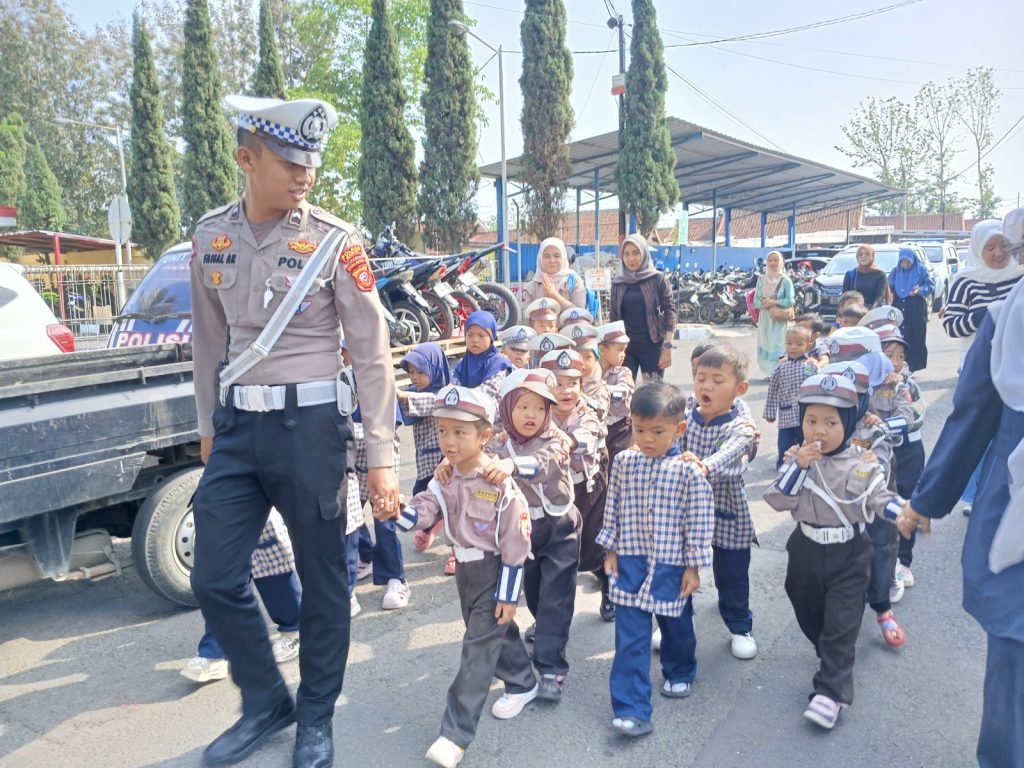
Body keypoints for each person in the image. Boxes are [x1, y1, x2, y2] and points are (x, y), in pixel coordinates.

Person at [189, 95, 399, 768]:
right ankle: (265, 702)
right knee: (214, 577)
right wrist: (207, 429)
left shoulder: (335, 241)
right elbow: (207, 343)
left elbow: (370, 353)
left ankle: (314, 716)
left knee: (323, 581)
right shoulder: (209, 237)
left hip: (310, 427)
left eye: (312, 159)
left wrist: (381, 455)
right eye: (289, 159)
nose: (305, 171)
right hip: (237, 427)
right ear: (247, 159)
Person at [898, 204, 1024, 768]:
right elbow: (972, 415)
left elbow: (971, 417)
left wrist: (925, 501)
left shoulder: (1009, 316)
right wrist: (925, 499)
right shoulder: (1003, 315)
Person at [387, 385, 536, 768]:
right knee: (490, 632)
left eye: (459, 432)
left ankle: (455, 735)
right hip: (464, 572)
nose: (448, 441)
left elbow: (516, 542)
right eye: (442, 431)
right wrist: (394, 511)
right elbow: (424, 510)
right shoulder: (445, 478)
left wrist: (507, 596)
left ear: (484, 436)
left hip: (494, 570)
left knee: (477, 649)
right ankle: (524, 679)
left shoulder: (499, 482)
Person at [764, 374, 904, 730]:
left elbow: (878, 494)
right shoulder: (796, 458)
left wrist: (902, 514)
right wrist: (799, 465)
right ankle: (827, 652)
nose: (819, 431)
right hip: (805, 549)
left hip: (850, 552)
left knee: (841, 622)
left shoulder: (862, 460)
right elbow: (777, 500)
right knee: (808, 609)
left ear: (848, 422)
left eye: (830, 422)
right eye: (811, 421)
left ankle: (831, 692)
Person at [597, 381, 715, 737]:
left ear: (678, 429)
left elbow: (699, 519)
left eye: (657, 431)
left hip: (670, 562)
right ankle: (632, 709)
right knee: (630, 637)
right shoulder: (624, 462)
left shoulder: (688, 472)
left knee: (675, 623)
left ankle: (680, 669)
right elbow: (612, 505)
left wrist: (693, 566)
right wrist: (610, 549)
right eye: (639, 429)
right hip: (630, 558)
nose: (646, 438)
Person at [475, 364, 579, 701]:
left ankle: (551, 668)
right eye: (522, 406)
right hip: (522, 531)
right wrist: (452, 466)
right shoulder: (499, 442)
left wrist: (512, 466)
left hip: (559, 526)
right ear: (507, 408)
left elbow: (545, 463)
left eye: (540, 407)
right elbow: (475, 464)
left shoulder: (558, 439)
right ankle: (547, 632)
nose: (531, 415)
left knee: (555, 597)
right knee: (534, 592)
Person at [680, 344, 758, 660]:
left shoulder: (740, 427)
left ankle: (740, 627)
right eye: (701, 378)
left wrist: (703, 465)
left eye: (717, 380)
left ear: (739, 389)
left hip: (727, 510)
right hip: (685, 511)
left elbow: (731, 453)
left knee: (733, 573)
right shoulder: (684, 418)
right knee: (678, 568)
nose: (706, 386)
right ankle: (674, 619)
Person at [942, 216, 1022, 515]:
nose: (999, 253)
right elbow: (952, 325)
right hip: (978, 370)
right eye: (990, 247)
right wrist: (990, 315)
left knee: (1012, 436)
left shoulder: (1020, 276)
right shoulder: (965, 280)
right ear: (977, 249)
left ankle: (1012, 497)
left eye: (1004, 245)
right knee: (977, 434)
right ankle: (975, 497)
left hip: (1016, 370)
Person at [181, 511, 303, 683]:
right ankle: (217, 650)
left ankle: (294, 631)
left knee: (271, 564)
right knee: (222, 573)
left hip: (263, 494)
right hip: (223, 497)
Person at [610, 234, 676, 383]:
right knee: (623, 394)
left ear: (644, 253)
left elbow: (670, 312)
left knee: (652, 395)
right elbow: (613, 318)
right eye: (626, 254)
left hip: (652, 346)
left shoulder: (657, 279)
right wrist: (611, 349)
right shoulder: (618, 283)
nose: (631, 259)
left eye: (635, 253)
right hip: (625, 348)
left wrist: (668, 346)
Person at [764, 326, 815, 468]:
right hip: (786, 416)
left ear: (808, 345)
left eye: (799, 344)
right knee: (784, 444)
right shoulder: (781, 367)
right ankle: (783, 469)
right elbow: (773, 389)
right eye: (789, 343)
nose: (793, 347)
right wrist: (770, 412)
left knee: (806, 443)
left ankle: (807, 468)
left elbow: (816, 387)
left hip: (805, 415)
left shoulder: (809, 365)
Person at [453, 311, 513, 407]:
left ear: (491, 337)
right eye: (470, 335)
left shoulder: (500, 364)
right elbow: (453, 388)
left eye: (481, 335)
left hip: (492, 418)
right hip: (465, 414)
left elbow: (487, 392)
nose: (475, 340)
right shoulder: (462, 363)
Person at [597, 321, 636, 468]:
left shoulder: (623, 372)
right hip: (599, 428)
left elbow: (626, 390)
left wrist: (604, 389)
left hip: (620, 428)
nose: (623, 355)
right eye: (619, 350)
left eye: (624, 350)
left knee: (618, 465)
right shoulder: (592, 374)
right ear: (602, 349)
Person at [888, 247, 933, 372]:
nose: (905, 265)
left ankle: (912, 367)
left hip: (916, 305)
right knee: (900, 336)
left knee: (916, 336)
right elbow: (889, 286)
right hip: (898, 305)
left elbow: (930, 285)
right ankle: (899, 364)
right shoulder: (896, 271)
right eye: (903, 262)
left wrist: (920, 291)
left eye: (908, 262)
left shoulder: (921, 270)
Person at [753, 250, 795, 377]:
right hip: (765, 317)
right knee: (766, 342)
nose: (772, 263)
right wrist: (763, 304)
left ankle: (778, 372)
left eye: (775, 260)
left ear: (781, 262)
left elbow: (790, 300)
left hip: (778, 317)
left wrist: (774, 302)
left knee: (778, 343)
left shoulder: (786, 280)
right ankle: (769, 373)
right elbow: (756, 300)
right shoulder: (762, 280)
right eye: (770, 260)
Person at [521, 236, 587, 311]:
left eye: (556, 256)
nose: (552, 260)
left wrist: (553, 295)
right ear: (540, 259)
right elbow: (528, 318)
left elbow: (580, 314)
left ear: (563, 258)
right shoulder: (533, 287)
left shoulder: (574, 281)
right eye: (547, 256)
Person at [842, 244, 892, 309]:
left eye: (867, 254)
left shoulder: (880, 274)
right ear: (857, 257)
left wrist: (871, 311)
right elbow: (845, 297)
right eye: (860, 254)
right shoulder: (850, 274)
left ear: (872, 256)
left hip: (872, 312)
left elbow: (879, 297)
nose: (863, 257)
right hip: (853, 313)